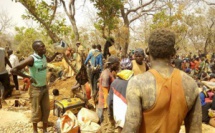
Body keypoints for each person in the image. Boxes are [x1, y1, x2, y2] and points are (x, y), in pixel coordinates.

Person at [122, 29, 202, 133]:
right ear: (173, 53)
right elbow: (195, 130)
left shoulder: (137, 83)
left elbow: (131, 128)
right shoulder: (190, 84)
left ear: (148, 52)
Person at [11, 40, 59, 133]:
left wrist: (56, 53)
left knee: (46, 109)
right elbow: (14, 70)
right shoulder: (31, 59)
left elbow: (49, 60)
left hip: (44, 87)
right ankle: (35, 130)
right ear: (36, 49)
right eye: (42, 46)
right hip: (35, 89)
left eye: (44, 46)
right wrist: (28, 77)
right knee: (36, 110)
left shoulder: (44, 56)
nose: (44, 48)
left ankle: (45, 129)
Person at [108, 57, 133, 132]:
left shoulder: (114, 83)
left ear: (121, 68)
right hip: (134, 121)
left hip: (120, 122)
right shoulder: (136, 80)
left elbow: (110, 103)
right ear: (131, 67)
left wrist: (111, 119)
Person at [97, 55, 120, 133]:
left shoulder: (109, 72)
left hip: (107, 102)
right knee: (109, 124)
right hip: (106, 103)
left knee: (106, 124)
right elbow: (105, 91)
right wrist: (108, 106)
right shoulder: (106, 75)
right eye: (117, 64)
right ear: (112, 64)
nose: (118, 66)